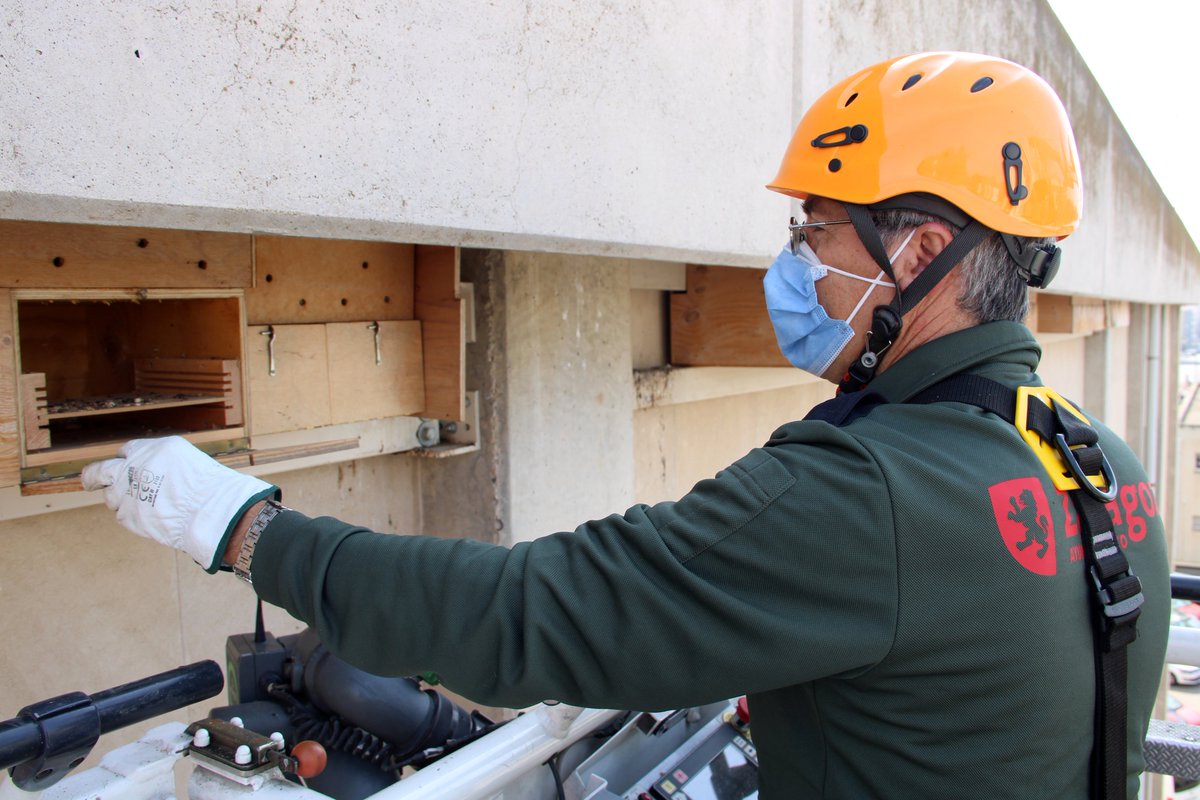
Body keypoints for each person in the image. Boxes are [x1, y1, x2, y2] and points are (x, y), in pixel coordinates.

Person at [83, 51, 1168, 799]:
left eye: (818, 230)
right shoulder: (1096, 461)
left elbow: (528, 615)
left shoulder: (866, 492)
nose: (794, 264)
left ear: (920, 252)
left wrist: (247, 529)